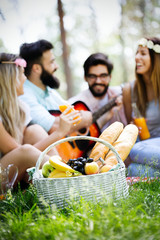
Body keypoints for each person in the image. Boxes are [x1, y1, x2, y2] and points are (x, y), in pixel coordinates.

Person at [0, 53, 81, 185]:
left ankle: (58, 178)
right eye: (22, 74)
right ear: (11, 79)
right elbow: (21, 153)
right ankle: (72, 180)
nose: (25, 79)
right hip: (3, 173)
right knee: (26, 150)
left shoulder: (21, 108)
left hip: (13, 173)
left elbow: (26, 154)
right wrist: (59, 133)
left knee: (35, 130)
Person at [19, 39, 92, 135]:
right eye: (52, 62)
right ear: (36, 68)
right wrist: (86, 117)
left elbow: (71, 111)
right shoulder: (23, 94)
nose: (56, 66)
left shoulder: (50, 91)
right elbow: (54, 127)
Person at [123, 37, 160, 177]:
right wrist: (132, 128)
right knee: (133, 169)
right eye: (136, 53)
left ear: (156, 58)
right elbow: (129, 125)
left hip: (147, 148)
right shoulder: (129, 90)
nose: (137, 57)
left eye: (143, 53)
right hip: (145, 147)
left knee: (136, 150)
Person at [69, 52, 127, 132]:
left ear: (110, 77)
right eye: (93, 76)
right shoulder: (76, 104)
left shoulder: (121, 93)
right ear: (85, 78)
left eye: (103, 76)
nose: (98, 81)